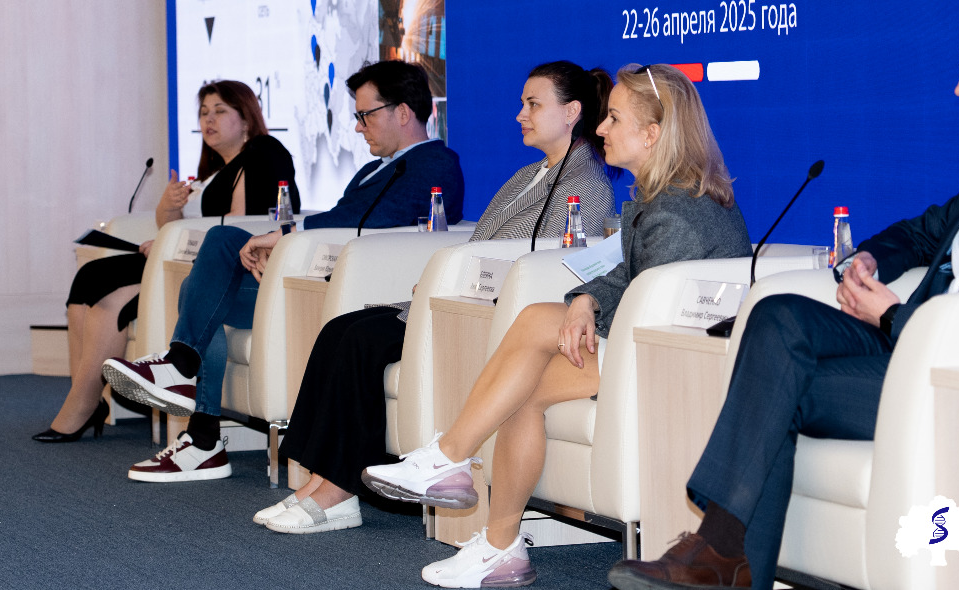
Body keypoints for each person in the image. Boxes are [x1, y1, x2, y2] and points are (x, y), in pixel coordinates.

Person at [608, 5, 959, 590]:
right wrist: (868, 259)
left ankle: (723, 558)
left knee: (776, 388)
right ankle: (723, 558)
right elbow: (924, 232)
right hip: (912, 347)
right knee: (776, 316)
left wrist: (894, 315)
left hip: (955, 378)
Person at [361, 64, 753, 587]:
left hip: (675, 361)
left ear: (652, 133)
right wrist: (585, 299)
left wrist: (587, 307)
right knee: (527, 360)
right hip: (646, 343)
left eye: (614, 118)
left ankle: (463, 482)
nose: (601, 128)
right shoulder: (666, 196)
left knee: (525, 367)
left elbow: (651, 310)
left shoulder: (678, 213)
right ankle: (477, 511)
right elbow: (627, 276)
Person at [253, 61, 617, 534]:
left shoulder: (584, 185)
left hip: (486, 313)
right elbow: (482, 244)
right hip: (454, 301)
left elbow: (548, 263)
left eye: (533, 104)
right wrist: (439, 280)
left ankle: (337, 491)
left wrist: (447, 280)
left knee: (362, 342)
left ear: (571, 112)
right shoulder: (531, 173)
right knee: (341, 329)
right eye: (522, 104)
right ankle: (320, 481)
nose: (520, 115)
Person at [102, 60, 463, 482]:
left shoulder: (435, 162)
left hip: (352, 295)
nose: (357, 127)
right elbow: (345, 219)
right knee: (217, 254)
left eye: (365, 115)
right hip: (309, 282)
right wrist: (281, 249)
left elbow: (376, 215)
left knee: (200, 296)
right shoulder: (372, 169)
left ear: (402, 112)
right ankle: (187, 389)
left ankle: (199, 428)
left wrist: (287, 236)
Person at [32, 80, 297, 443]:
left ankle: (86, 402)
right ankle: (85, 394)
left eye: (220, 111)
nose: (208, 120)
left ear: (247, 118)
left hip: (216, 264)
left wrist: (168, 239)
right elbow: (182, 227)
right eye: (203, 113)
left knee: (110, 290)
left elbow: (243, 226)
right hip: (188, 256)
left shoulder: (263, 152)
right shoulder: (211, 172)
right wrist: (168, 209)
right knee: (91, 276)